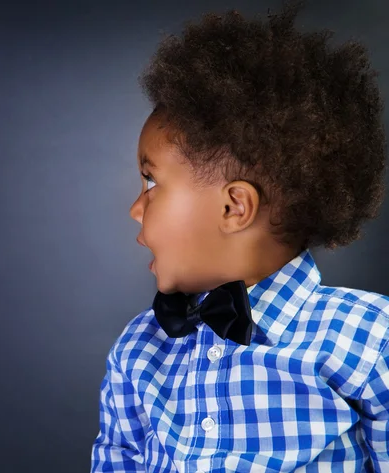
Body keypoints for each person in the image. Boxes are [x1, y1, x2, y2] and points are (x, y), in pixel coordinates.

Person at [90, 1, 389, 472]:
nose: (134, 208)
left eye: (151, 183)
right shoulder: (138, 348)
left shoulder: (371, 341)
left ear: (234, 207)